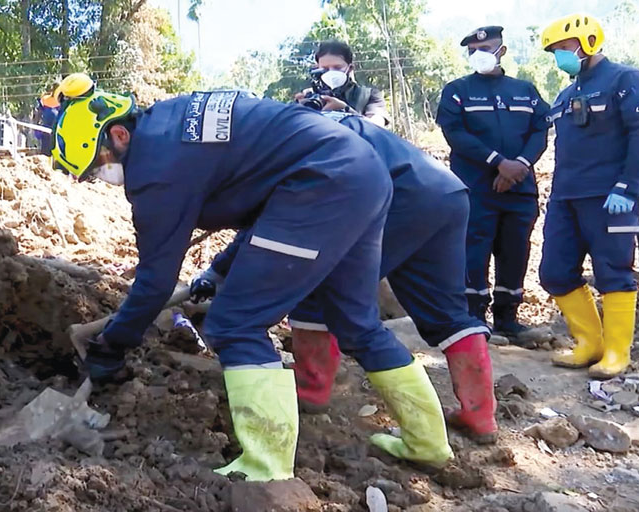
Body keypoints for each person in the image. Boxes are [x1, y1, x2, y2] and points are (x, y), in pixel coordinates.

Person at [51, 76, 453, 481]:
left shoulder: (155, 171)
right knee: (357, 321)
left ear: (119, 134)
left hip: (320, 185)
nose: (99, 177)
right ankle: (427, 443)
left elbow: (155, 280)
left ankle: (265, 469)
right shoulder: (170, 123)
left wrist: (114, 343)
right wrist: (220, 270)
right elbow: (264, 207)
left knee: (236, 322)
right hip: (361, 173)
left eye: (96, 165)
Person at [192, 110, 498, 443]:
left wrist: (219, 270)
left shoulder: (284, 148)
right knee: (448, 313)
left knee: (316, 282)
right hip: (447, 193)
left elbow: (271, 221)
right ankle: (479, 415)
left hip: (398, 194)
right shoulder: (308, 130)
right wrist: (219, 270)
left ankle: (311, 387)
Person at [540, 14, 639, 379]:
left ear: (587, 42)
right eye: (555, 52)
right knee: (554, 272)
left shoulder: (626, 81)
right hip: (566, 197)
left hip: (610, 197)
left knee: (614, 272)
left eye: (563, 48)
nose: (560, 57)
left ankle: (617, 352)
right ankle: (590, 343)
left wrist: (629, 186)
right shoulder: (566, 94)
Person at [436, 26, 550, 347]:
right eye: (473, 49)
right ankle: (474, 319)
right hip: (476, 189)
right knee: (473, 250)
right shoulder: (457, 91)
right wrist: (499, 162)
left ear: (502, 50)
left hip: (520, 188)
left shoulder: (525, 90)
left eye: (485, 47)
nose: (479, 54)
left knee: (516, 250)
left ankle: (508, 319)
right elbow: (456, 134)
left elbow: (540, 130)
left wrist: (520, 166)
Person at [295, 40, 389, 127]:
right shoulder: (310, 98)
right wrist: (298, 111)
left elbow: (376, 128)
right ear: (317, 68)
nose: (331, 73)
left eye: (337, 68)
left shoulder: (368, 95)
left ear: (350, 68)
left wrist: (346, 110)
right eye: (325, 69)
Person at [35, 83, 60, 156]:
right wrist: (37, 125)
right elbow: (39, 112)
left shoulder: (62, 100)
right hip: (46, 127)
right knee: (46, 148)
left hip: (57, 128)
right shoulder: (45, 99)